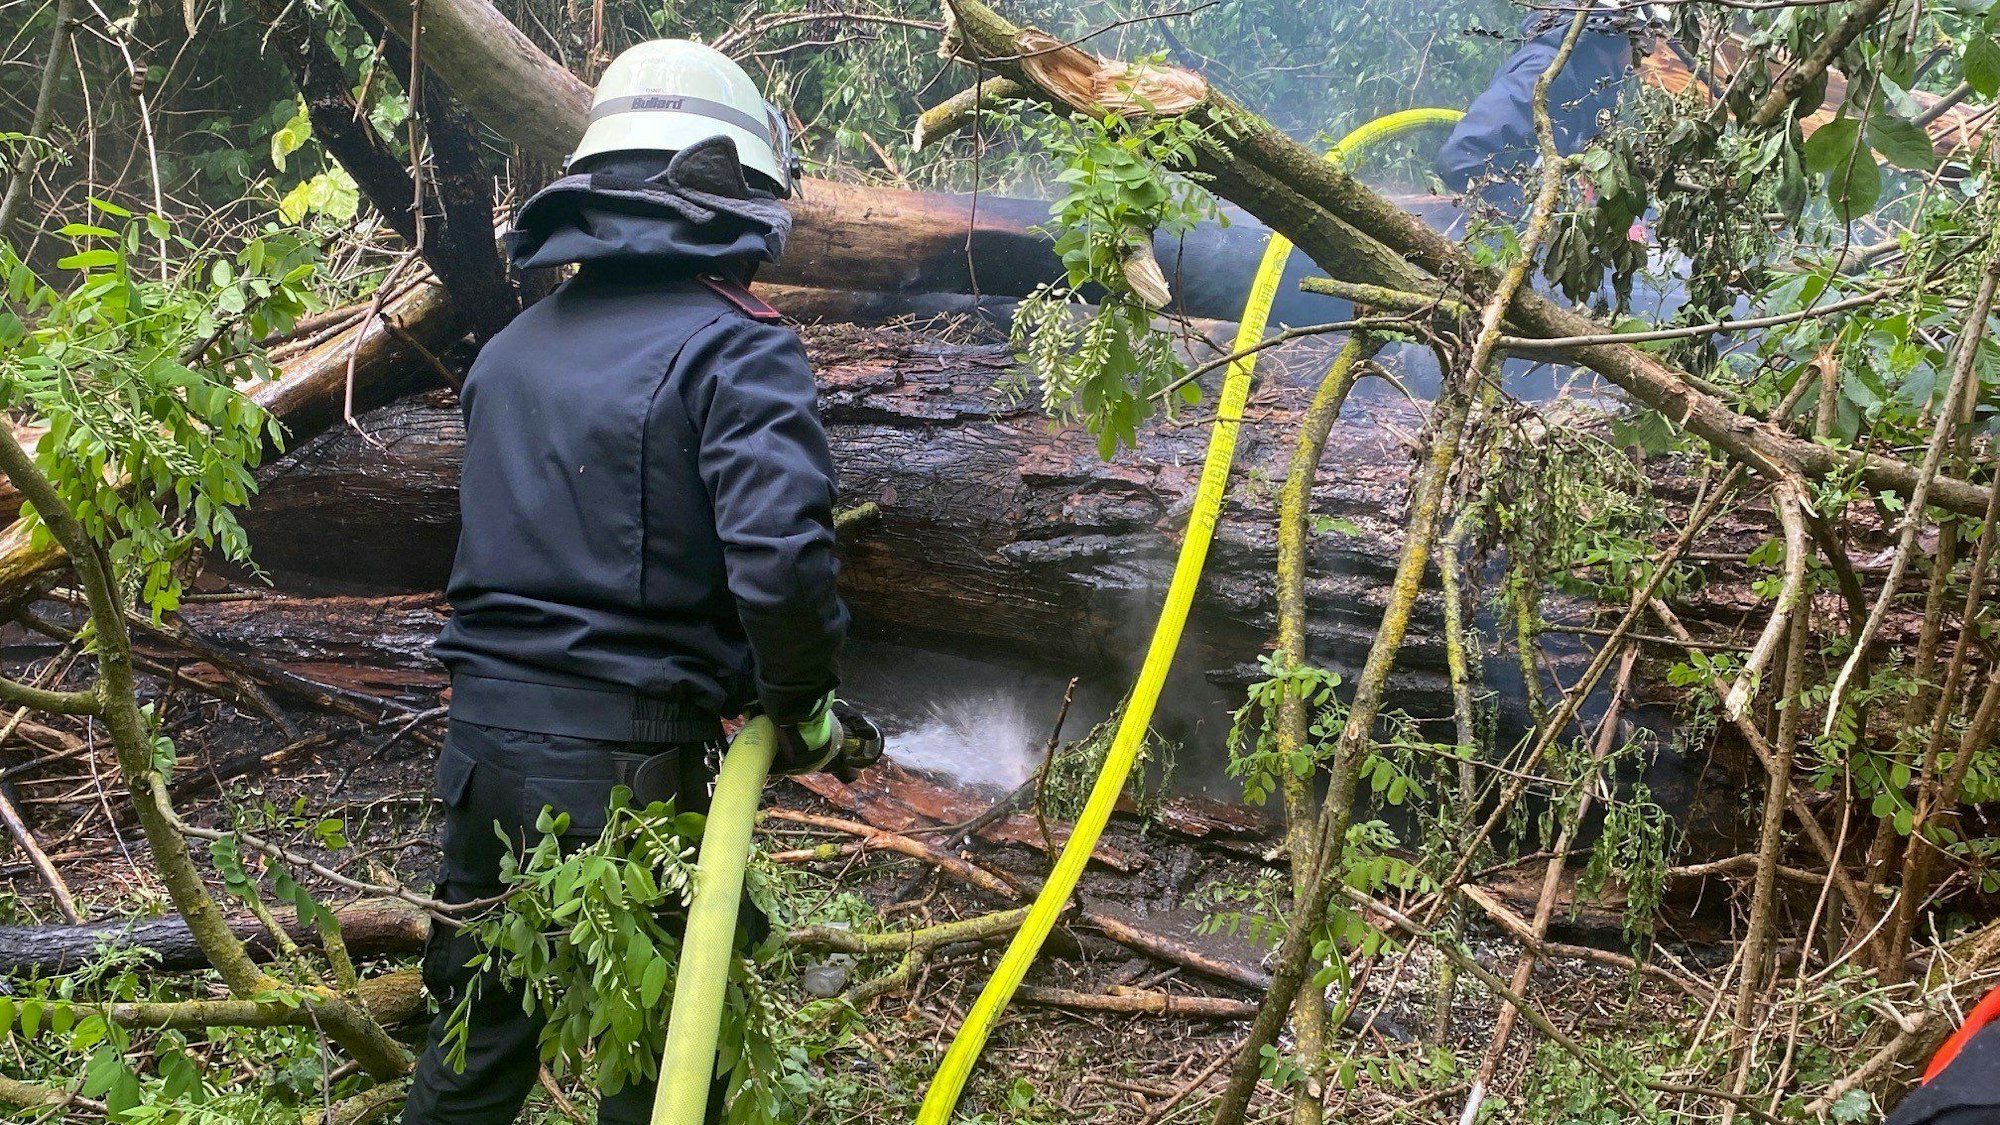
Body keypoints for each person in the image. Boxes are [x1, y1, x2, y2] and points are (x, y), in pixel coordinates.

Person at [404, 39, 866, 1124]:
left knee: (471, 1048)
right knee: (661, 1063)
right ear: (737, 196)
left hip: (481, 754)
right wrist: (799, 709)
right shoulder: (736, 349)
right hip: (625, 770)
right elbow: (782, 563)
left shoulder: (512, 351)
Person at [1434, 1, 1664, 211]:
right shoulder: (1548, 71)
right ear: (1614, 34)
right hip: (1500, 238)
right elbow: (1461, 160)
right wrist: (1531, 209)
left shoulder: (1585, 84)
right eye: (1639, 42)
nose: (1639, 58)